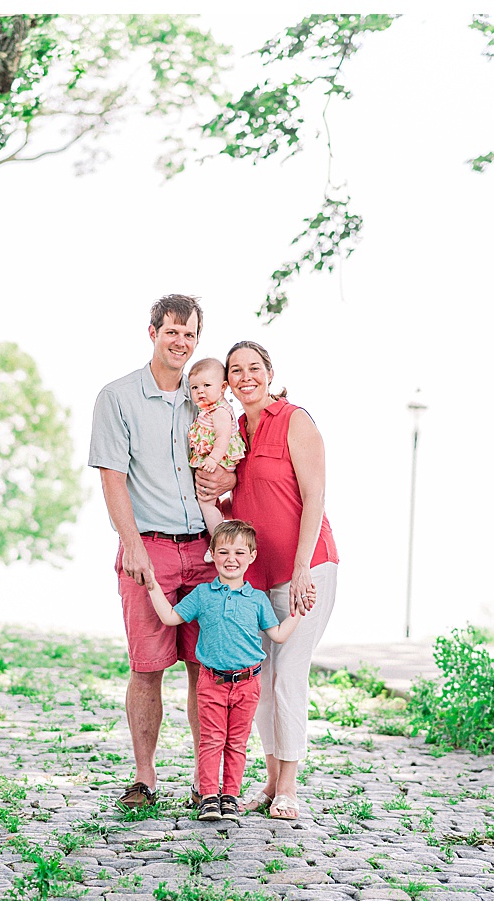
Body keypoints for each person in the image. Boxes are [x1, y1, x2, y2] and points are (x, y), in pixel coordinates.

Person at [201, 341, 338, 821]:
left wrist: (301, 568)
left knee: (289, 674)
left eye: (254, 368)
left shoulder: (295, 420)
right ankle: (271, 780)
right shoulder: (233, 431)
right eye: (236, 371)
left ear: (270, 372)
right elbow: (235, 502)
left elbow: (314, 496)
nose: (246, 378)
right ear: (227, 383)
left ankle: (290, 788)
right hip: (254, 579)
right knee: (258, 678)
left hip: (307, 567)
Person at [88, 293, 215, 809]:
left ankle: (206, 782)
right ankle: (145, 778)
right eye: (172, 332)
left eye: (190, 335)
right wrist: (132, 546)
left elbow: (228, 460)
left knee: (206, 668)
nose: (181, 342)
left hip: (206, 554)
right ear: (153, 333)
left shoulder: (204, 398)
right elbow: (112, 479)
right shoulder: (117, 397)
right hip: (150, 551)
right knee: (147, 667)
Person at [144, 520, 309, 820]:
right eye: (223, 552)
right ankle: (209, 796)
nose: (231, 559)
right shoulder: (202, 595)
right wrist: (152, 584)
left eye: (239, 552)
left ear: (252, 556)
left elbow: (279, 634)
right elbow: (170, 617)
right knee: (211, 740)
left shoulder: (257, 599)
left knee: (236, 743)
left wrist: (299, 610)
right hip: (211, 682)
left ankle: (230, 797)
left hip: (248, 683)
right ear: (212, 554)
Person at [185, 357, 244, 561]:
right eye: (195, 387)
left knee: (206, 503)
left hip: (221, 460)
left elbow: (222, 438)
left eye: (206, 385)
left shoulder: (219, 411)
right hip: (216, 460)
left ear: (223, 387)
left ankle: (220, 543)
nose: (200, 391)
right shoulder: (208, 409)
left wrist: (212, 459)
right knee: (211, 501)